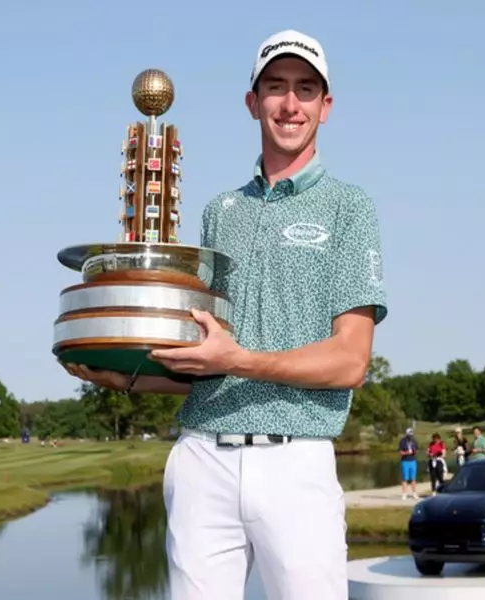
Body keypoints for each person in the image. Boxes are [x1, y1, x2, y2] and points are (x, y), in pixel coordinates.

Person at [60, 29, 387, 600]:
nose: (290, 104)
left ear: (326, 106)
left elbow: (350, 361)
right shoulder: (221, 211)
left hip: (295, 458)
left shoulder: (349, 207)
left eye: (306, 89)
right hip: (201, 458)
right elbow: (208, 362)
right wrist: (126, 376)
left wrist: (237, 359)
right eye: (276, 87)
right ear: (252, 102)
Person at [399, 428, 419, 499]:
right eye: (409, 434)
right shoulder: (402, 441)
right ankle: (404, 494)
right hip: (405, 461)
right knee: (405, 478)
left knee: (413, 478)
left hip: (413, 461)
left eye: (411, 434)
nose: (410, 436)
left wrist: (414, 452)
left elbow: (417, 450)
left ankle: (414, 493)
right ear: (406, 434)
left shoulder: (414, 441)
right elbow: (400, 452)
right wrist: (407, 453)